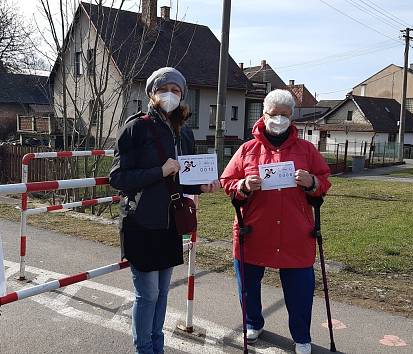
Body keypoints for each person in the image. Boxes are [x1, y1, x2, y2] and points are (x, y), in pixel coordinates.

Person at [110, 67, 220, 354]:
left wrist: (202, 187)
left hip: (170, 223)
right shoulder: (136, 127)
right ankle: (144, 348)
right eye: (163, 89)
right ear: (151, 93)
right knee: (147, 295)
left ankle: (156, 346)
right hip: (141, 221)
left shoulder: (184, 132)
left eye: (176, 90)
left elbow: (183, 178)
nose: (169, 95)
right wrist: (159, 170)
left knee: (160, 296)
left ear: (182, 95)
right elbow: (118, 178)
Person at [220, 89, 331, 354]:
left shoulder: (306, 149)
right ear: (264, 114)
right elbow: (227, 181)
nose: (278, 119)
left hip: (296, 233)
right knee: (247, 286)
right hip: (255, 230)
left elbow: (324, 180)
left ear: (292, 117)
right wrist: (244, 185)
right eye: (274, 114)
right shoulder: (247, 149)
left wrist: (312, 182)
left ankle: (301, 336)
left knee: (300, 292)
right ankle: (252, 323)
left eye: (285, 114)